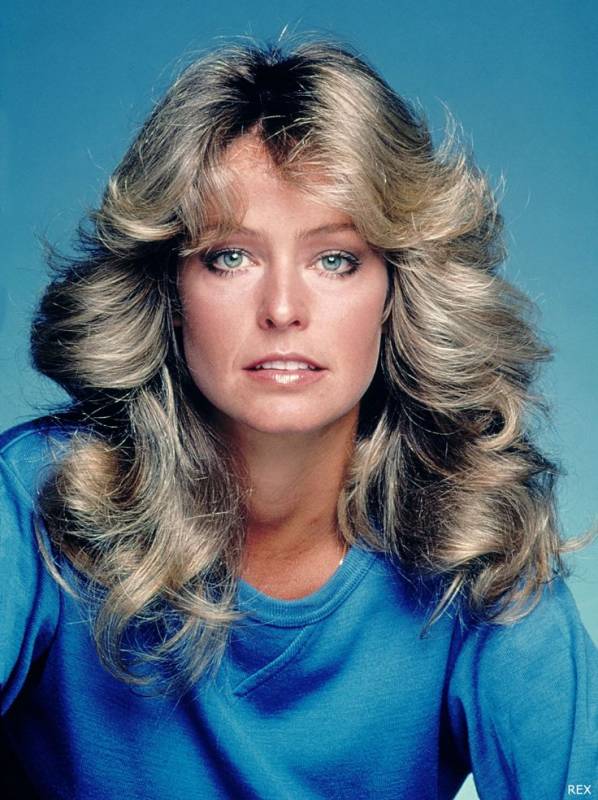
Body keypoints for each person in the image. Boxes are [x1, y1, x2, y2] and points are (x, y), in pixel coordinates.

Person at [1, 35, 596, 800]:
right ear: (170, 291)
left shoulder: (474, 538)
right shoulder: (39, 500)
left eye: (334, 259)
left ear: (396, 293)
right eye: (230, 256)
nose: (283, 309)